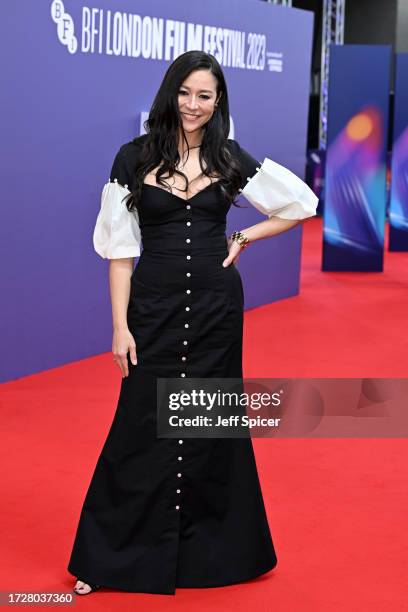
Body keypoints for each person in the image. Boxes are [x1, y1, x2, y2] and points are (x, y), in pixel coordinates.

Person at [67, 50, 318, 596]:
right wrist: (119, 327)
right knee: (138, 426)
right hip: (152, 311)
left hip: (215, 311)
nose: (193, 105)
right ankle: (108, 558)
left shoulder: (229, 158)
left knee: (209, 431)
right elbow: (118, 253)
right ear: (170, 93)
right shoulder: (132, 158)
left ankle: (212, 554)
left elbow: (300, 203)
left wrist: (246, 235)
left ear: (218, 101)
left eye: (205, 95)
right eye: (185, 92)